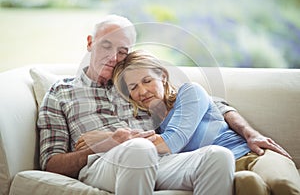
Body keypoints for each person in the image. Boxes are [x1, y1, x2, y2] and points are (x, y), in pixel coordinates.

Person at [37, 14, 235, 195]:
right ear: (90, 43)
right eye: (106, 46)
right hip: (101, 165)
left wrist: (248, 130)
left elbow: (197, 100)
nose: (113, 58)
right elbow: (51, 164)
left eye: (122, 52)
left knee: (218, 157)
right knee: (139, 149)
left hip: (160, 160)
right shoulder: (61, 92)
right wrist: (106, 143)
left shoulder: (135, 85)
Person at [112, 49, 300, 195]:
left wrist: (130, 144)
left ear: (162, 76)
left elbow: (174, 140)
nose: (142, 91)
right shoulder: (149, 125)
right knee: (249, 184)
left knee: (282, 185)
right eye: (134, 87)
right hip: (225, 169)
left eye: (147, 80)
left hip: (254, 156)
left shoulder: (190, 93)